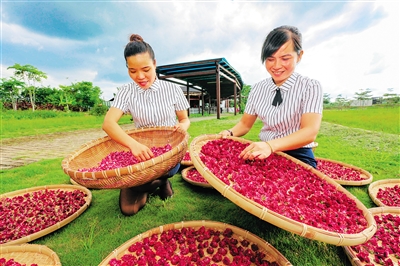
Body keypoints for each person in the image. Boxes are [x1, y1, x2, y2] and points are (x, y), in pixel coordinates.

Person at [102, 34, 190, 216]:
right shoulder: (126, 92)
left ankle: (161, 180)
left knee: (153, 176)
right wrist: (133, 145)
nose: (140, 77)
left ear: (155, 64)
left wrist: (183, 127)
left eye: (146, 69)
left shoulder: (172, 89)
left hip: (169, 151)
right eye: (132, 71)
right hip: (141, 152)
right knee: (129, 209)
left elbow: (184, 119)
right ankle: (155, 183)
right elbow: (108, 124)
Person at [220, 25, 323, 168]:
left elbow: (309, 131)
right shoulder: (257, 89)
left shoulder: (310, 86)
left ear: (299, 56)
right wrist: (229, 133)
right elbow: (245, 124)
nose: (277, 66)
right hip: (263, 151)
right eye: (270, 59)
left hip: (297, 153)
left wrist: (271, 146)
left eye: (285, 58)